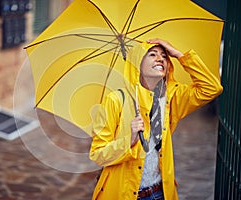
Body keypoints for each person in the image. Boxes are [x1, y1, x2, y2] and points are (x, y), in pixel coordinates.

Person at [89, 38, 223, 200]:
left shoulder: (171, 98)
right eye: (152, 54)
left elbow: (211, 88)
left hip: (160, 193)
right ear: (138, 64)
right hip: (123, 194)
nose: (160, 58)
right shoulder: (116, 100)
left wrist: (179, 55)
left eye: (164, 56)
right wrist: (128, 141)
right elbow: (98, 154)